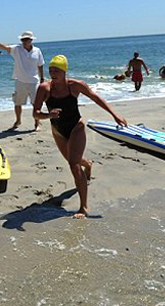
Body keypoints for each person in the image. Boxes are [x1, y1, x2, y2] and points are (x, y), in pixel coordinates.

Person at [33, 55, 128, 219]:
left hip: (76, 127)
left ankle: (83, 207)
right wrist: (48, 115)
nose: (53, 74)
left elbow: (95, 98)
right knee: (73, 160)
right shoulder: (44, 88)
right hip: (58, 131)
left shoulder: (75, 86)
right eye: (51, 70)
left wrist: (114, 115)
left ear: (64, 71)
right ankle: (88, 165)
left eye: (57, 70)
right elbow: (35, 113)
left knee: (73, 164)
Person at [0, 31, 45, 131]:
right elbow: (6, 48)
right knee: (17, 103)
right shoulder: (17, 49)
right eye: (23, 39)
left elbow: (40, 65)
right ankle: (18, 121)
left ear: (31, 40)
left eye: (26, 39)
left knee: (36, 104)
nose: (24, 41)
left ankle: (37, 123)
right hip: (20, 81)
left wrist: (42, 78)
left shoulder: (37, 50)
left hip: (34, 81)